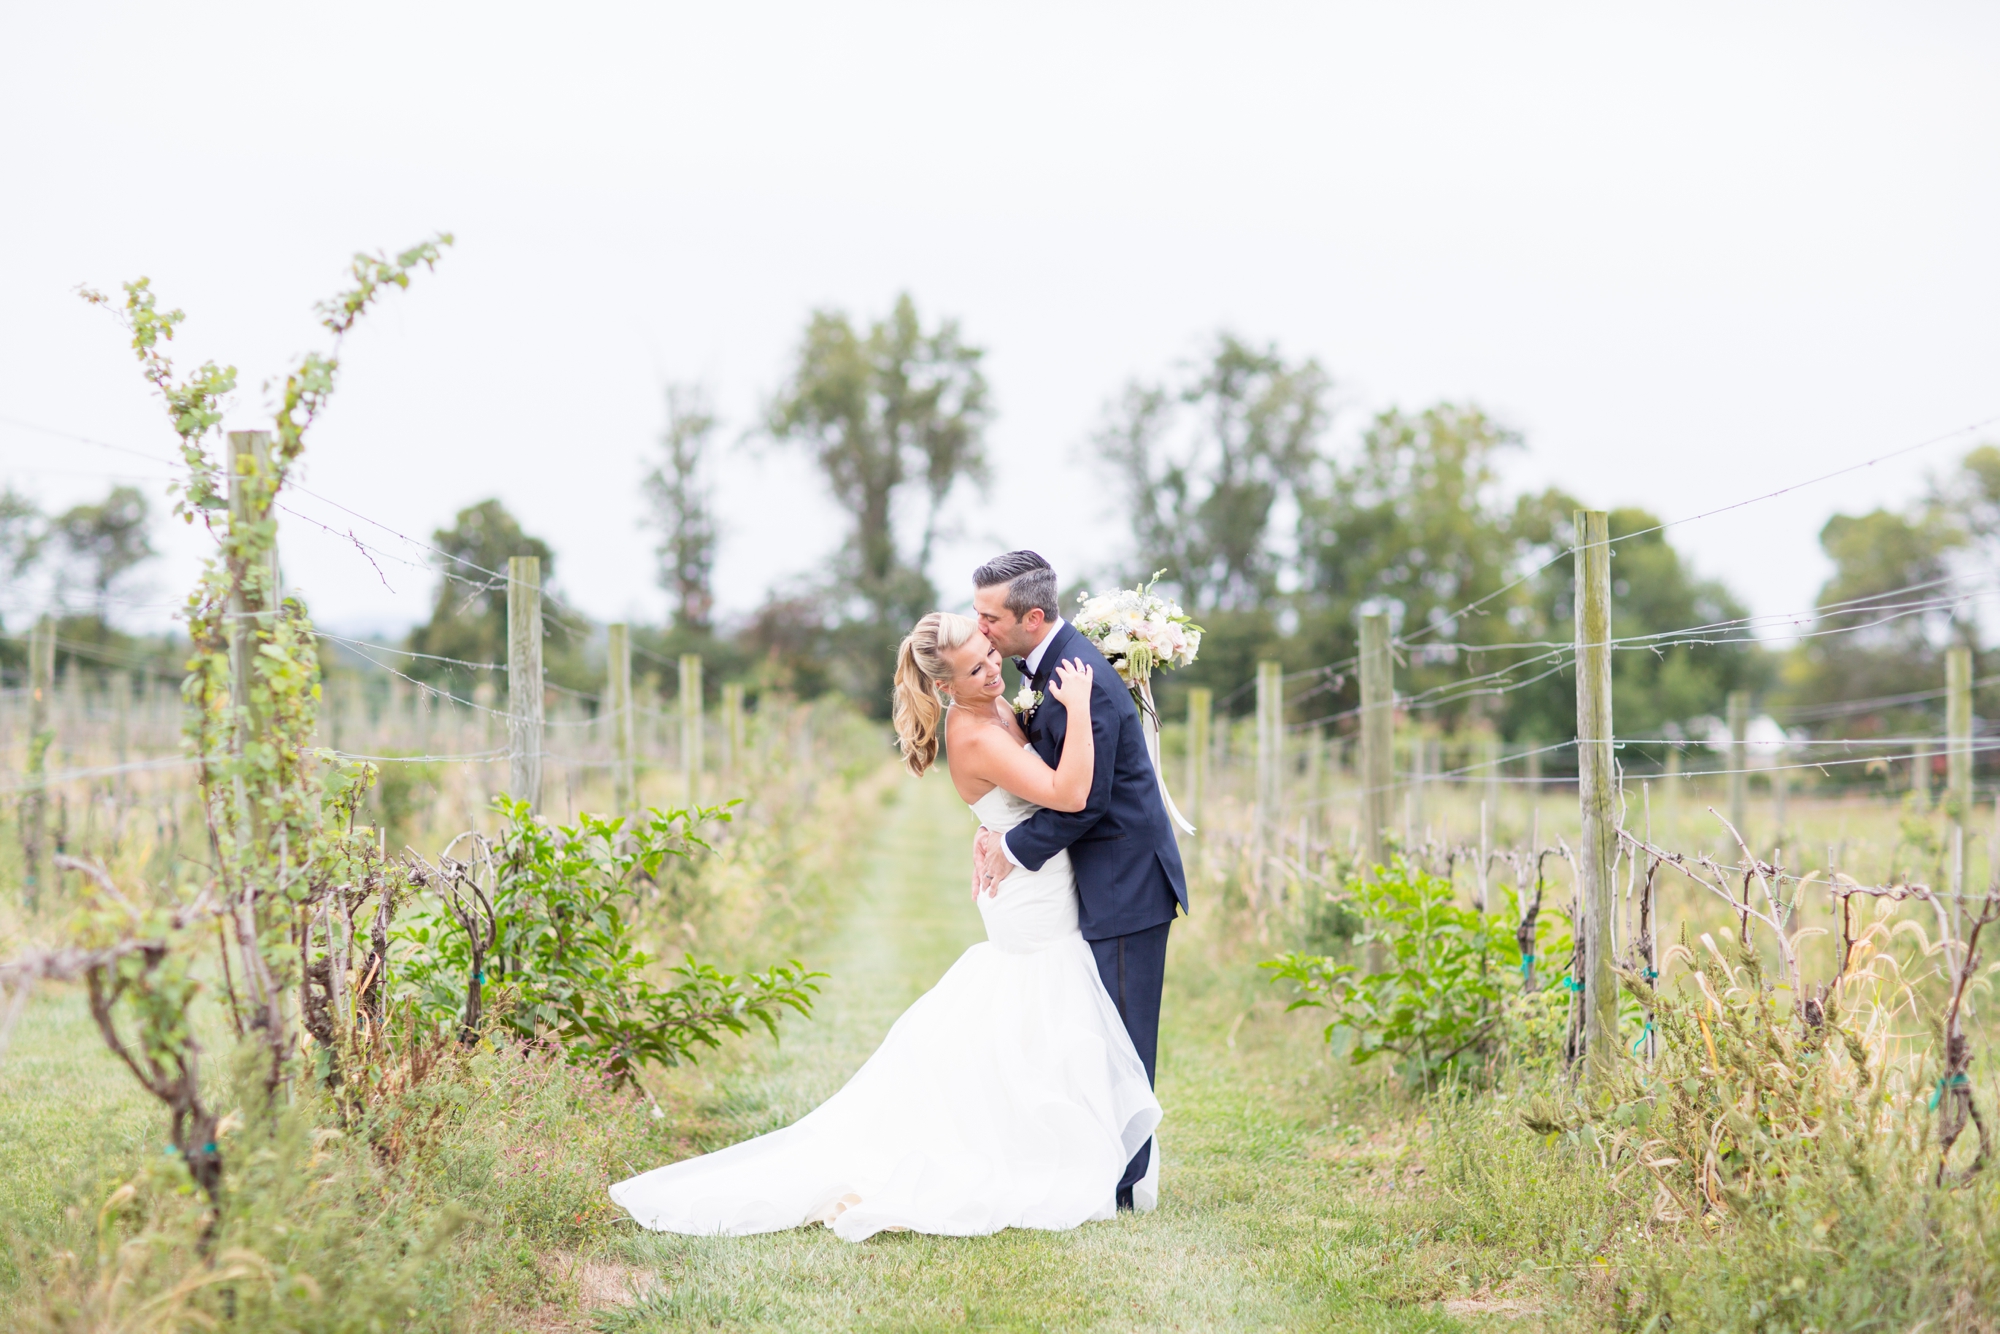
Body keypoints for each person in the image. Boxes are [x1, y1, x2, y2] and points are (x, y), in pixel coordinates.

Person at [608, 610, 1160, 1241]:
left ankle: (1056, 1147)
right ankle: (1035, 1155)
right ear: (945, 688)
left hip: (1037, 879)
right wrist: (1085, 706)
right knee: (1041, 999)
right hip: (1031, 896)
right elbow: (1066, 792)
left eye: (990, 655)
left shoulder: (996, 708)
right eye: (976, 669)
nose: (992, 671)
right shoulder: (974, 732)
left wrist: (998, 828)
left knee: (1046, 1012)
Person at [969, 550, 1187, 1210]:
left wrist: (1013, 844)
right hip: (1100, 876)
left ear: (1033, 618)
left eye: (989, 619)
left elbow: (1084, 801)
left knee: (1123, 1034)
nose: (980, 631)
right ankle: (1096, 1165)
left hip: (1126, 882)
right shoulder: (1051, 667)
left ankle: (1122, 1186)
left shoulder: (1075, 674)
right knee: (1091, 1029)